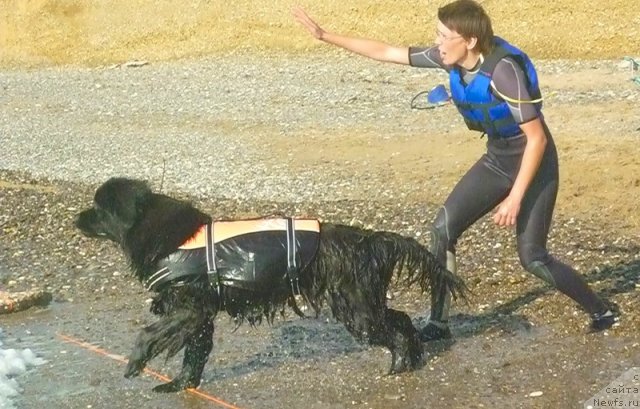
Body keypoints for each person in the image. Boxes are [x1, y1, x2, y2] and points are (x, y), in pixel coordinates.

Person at [293, 0, 617, 340]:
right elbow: (387, 51)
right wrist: (325, 35)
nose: (437, 43)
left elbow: (536, 140)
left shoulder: (504, 72)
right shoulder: (447, 57)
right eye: (438, 34)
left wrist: (515, 198)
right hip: (498, 158)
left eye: (445, 36)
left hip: (534, 164)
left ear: (470, 41)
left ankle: (601, 309)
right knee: (443, 229)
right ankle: (439, 323)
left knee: (532, 257)